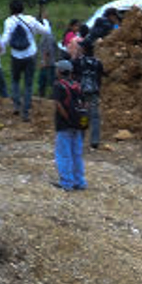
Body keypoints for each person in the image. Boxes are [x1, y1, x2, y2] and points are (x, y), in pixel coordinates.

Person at [0, 0, 45, 121]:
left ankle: (16, 105)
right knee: (28, 83)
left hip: (16, 55)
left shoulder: (8, 21)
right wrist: (44, 21)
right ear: (22, 8)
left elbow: (5, 38)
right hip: (30, 54)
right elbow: (45, 31)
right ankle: (26, 111)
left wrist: (0, 50)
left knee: (15, 80)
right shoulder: (30, 19)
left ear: (11, 10)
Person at [51, 59, 87, 191]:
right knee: (76, 153)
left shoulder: (58, 85)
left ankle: (66, 182)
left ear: (60, 71)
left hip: (64, 125)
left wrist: (67, 118)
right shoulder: (77, 85)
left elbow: (58, 104)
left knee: (63, 154)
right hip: (78, 125)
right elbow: (85, 103)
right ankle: (80, 181)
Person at [75, 39, 106, 149]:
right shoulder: (98, 62)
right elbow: (102, 75)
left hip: (82, 92)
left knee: (83, 115)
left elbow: (73, 75)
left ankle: (81, 139)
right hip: (94, 92)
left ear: (84, 49)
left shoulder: (78, 62)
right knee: (95, 116)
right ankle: (95, 140)